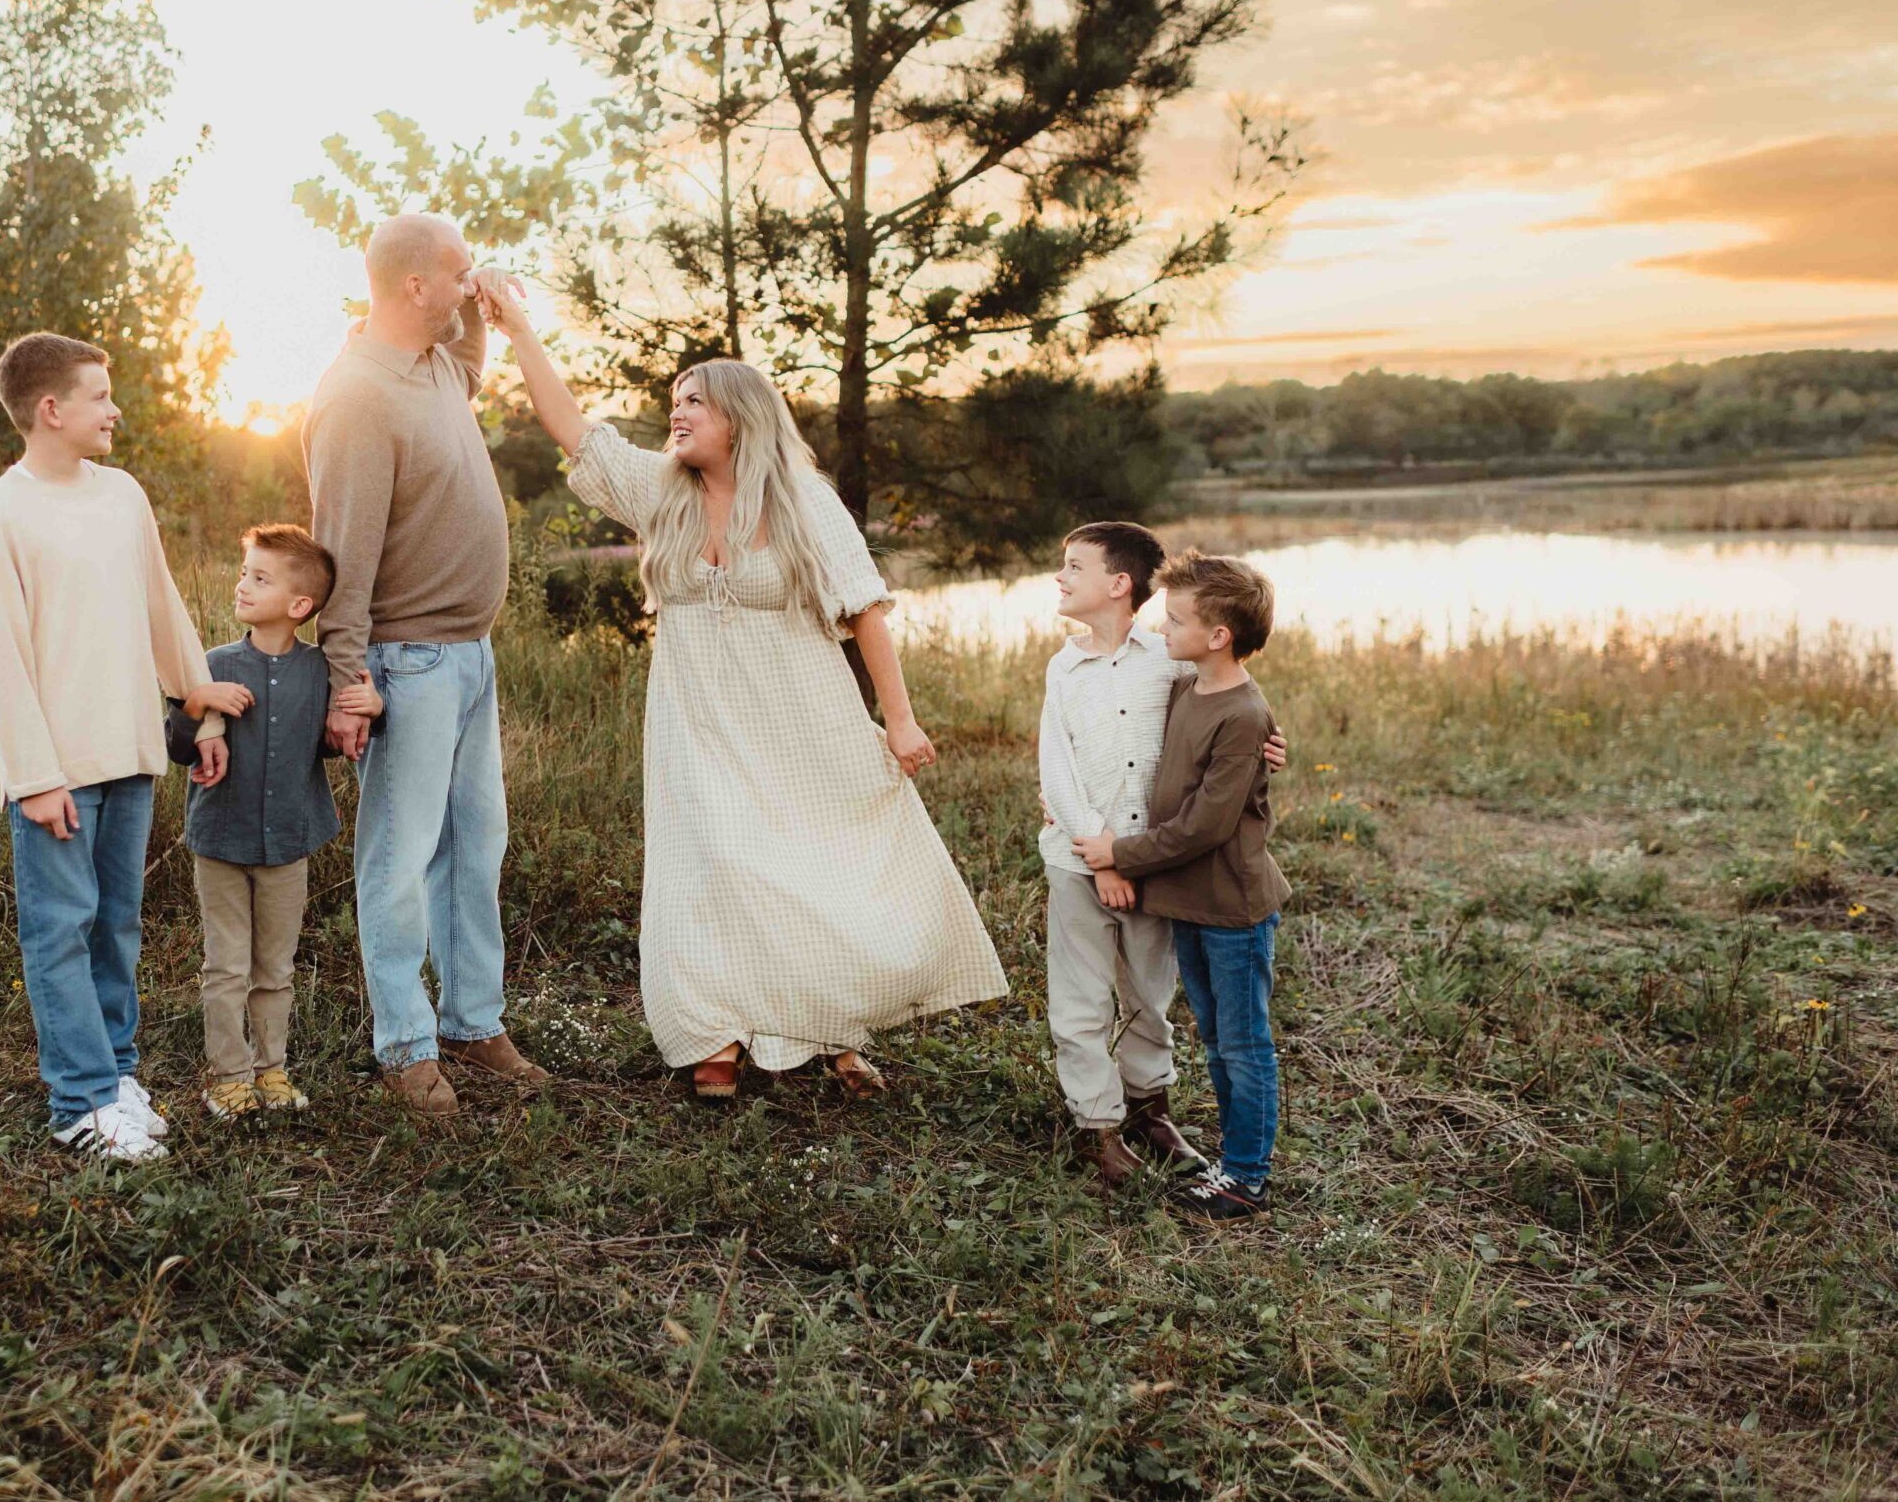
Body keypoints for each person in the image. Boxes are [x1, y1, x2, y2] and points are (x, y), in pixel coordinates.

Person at [481, 270, 1005, 1099]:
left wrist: (898, 721)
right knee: (711, 862)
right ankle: (716, 1034)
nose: (678, 412)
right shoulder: (664, 493)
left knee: (814, 862)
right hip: (697, 716)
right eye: (674, 399)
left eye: (696, 401)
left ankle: (833, 1028)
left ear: (743, 419)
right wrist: (517, 331)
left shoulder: (803, 501)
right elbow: (575, 430)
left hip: (802, 712)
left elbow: (866, 607)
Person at [0, 331, 252, 1162]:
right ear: (50, 410)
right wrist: (34, 775)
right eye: (98, 394)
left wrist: (202, 708)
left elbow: (162, 607)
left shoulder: (123, 495)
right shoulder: (3, 514)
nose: (114, 408)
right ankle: (80, 1104)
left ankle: (117, 1075)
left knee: (116, 926)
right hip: (56, 770)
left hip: (130, 753)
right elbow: (0, 658)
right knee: (59, 930)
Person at [302, 215, 546, 1118]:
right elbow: (343, 556)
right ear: (413, 287)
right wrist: (346, 683)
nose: (469, 278)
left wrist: (481, 314)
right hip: (404, 664)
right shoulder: (358, 395)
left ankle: (474, 1023)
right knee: (401, 859)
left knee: (476, 846)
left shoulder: (437, 365)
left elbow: (473, 371)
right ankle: (405, 1043)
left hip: (470, 658)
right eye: (457, 272)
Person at [1038, 522, 1286, 1190]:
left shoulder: (1169, 658)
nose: (1059, 578)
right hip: (1081, 858)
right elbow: (1055, 770)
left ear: (1118, 585)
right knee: (1083, 997)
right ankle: (1097, 1123)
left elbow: (1224, 700)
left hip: (1156, 866)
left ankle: (1151, 1107)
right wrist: (1103, 859)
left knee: (1150, 992)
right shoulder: (1065, 668)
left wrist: (1270, 741)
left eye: (1073, 566)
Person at [174, 525, 384, 1121]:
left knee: (275, 969)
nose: (243, 584)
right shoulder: (214, 665)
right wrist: (198, 706)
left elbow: (348, 734)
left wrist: (377, 707)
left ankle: (271, 1071)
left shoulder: (322, 673)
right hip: (220, 840)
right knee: (225, 966)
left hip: (289, 842)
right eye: (245, 572)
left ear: (299, 607)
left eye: (259, 578)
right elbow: (177, 742)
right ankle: (229, 1078)